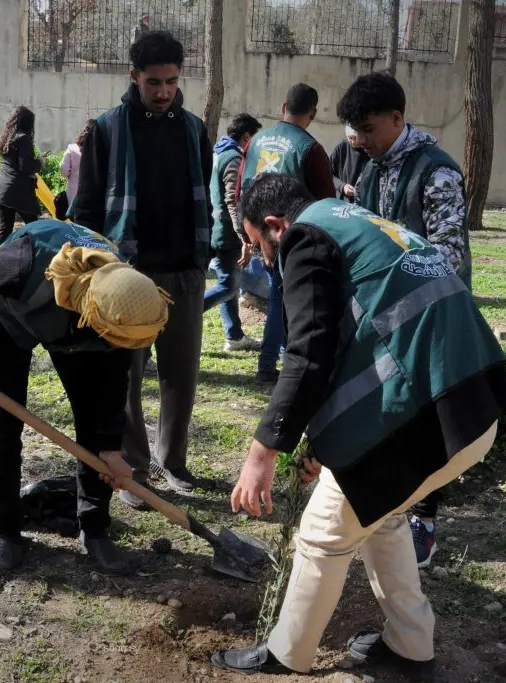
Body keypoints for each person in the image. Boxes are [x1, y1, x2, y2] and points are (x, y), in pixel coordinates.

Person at [210, 173, 506, 680]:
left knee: (323, 533)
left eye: (256, 244)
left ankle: (287, 654)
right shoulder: (349, 221)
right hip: (471, 406)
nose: (261, 258)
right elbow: (353, 345)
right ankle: (411, 648)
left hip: (425, 420)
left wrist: (261, 452)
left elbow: (308, 355)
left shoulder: (304, 238)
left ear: (274, 226)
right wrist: (316, 446)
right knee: (384, 515)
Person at [0, 219, 172, 576]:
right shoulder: (20, 266)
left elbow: (113, 380)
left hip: (78, 330)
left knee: (92, 421)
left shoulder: (126, 303)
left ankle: (94, 528)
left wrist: (109, 448)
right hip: (11, 316)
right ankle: (8, 532)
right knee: (4, 422)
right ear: (95, 316)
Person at [338, 71, 473, 566]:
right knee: (386, 413)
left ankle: (425, 524)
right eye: (356, 130)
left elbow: (448, 253)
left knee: (425, 421)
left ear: (397, 119)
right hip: (387, 316)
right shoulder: (373, 168)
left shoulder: (436, 172)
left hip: (431, 316)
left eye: (369, 129)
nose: (361, 140)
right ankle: (386, 512)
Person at [74, 30, 214, 508]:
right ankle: (133, 468)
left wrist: (204, 256)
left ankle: (172, 461)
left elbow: (206, 202)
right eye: (154, 81)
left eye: (172, 81)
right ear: (133, 77)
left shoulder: (194, 129)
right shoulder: (108, 129)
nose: (163, 91)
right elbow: (87, 208)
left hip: (184, 271)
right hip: (125, 275)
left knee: (181, 373)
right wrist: (93, 270)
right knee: (126, 376)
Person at [237, 83, 336, 384]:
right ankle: (270, 365)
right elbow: (325, 201)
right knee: (285, 302)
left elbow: (242, 186)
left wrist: (247, 236)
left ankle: (279, 358)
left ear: (283, 107)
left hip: (258, 229)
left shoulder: (255, 141)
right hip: (290, 236)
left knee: (279, 299)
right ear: (313, 113)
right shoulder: (310, 148)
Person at [205, 113, 263, 352]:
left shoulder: (217, 153)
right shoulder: (233, 159)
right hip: (226, 233)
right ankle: (177, 318)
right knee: (229, 286)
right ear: (246, 136)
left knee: (227, 281)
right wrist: (244, 237)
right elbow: (233, 199)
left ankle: (235, 336)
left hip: (214, 229)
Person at [0, 105, 46, 247]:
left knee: (5, 228)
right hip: (18, 191)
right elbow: (26, 167)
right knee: (34, 227)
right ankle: (37, 255)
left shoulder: (8, 137)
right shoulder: (23, 139)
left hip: (3, 189)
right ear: (27, 123)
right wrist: (40, 162)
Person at [58, 119, 93, 219]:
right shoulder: (99, 150)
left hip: (73, 192)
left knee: (74, 220)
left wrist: (70, 177)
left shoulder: (72, 148)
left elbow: (63, 168)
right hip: (93, 193)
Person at [330, 125, 370, 203]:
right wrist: (342, 186)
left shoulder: (369, 149)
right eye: (350, 138)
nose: (353, 142)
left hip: (364, 201)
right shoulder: (341, 148)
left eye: (355, 138)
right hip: (343, 200)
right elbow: (329, 174)